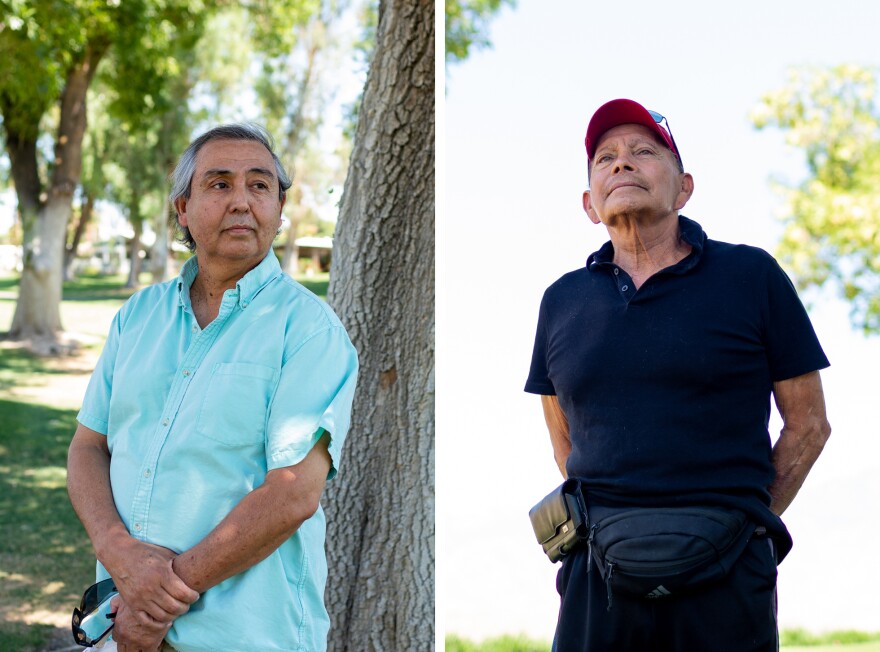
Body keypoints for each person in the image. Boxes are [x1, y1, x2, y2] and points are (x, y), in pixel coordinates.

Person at [525, 99, 831, 651]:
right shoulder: (561, 300)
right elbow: (563, 436)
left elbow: (809, 424)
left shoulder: (751, 275)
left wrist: (747, 521)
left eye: (644, 152)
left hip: (730, 571)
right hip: (599, 576)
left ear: (684, 187)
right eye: (605, 158)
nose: (622, 165)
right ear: (589, 204)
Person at [67, 123, 358, 652]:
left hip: (245, 637)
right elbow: (89, 446)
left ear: (279, 206)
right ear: (183, 208)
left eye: (260, 185)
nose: (242, 202)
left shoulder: (309, 331)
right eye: (220, 184)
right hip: (122, 621)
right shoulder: (138, 317)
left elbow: (294, 493)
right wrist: (121, 557)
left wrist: (159, 596)